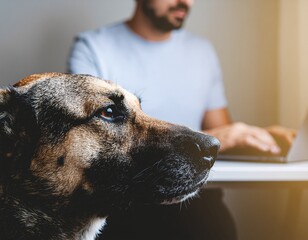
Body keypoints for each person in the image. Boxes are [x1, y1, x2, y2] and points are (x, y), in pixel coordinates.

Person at [67, 0, 295, 239]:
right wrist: (218, 136)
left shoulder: (202, 51)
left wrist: (257, 135)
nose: (184, 2)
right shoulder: (93, 47)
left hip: (200, 204)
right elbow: (96, 135)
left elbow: (221, 132)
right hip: (129, 206)